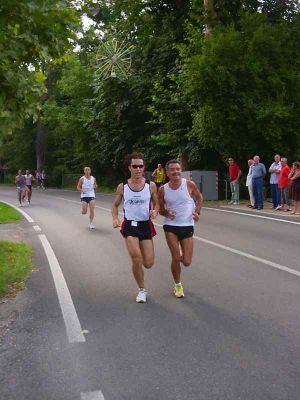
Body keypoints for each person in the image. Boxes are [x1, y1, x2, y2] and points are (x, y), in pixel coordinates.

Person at [111, 153, 159, 303]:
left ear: (144, 167)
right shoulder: (123, 186)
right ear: (129, 168)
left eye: (141, 166)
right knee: (137, 258)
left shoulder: (151, 185)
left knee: (148, 263)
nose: (138, 169)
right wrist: (115, 218)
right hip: (130, 225)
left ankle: (138, 267)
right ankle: (141, 290)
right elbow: (115, 205)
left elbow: (157, 203)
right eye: (135, 166)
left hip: (145, 225)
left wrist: (155, 211)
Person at [158, 160, 203, 298]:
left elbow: (199, 198)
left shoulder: (188, 184)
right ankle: (178, 285)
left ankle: (182, 255)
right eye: (172, 169)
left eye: (178, 169)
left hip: (187, 225)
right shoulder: (163, 189)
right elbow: (161, 209)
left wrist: (197, 212)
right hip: (171, 226)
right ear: (167, 173)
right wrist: (167, 213)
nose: (175, 171)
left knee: (187, 262)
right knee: (176, 258)